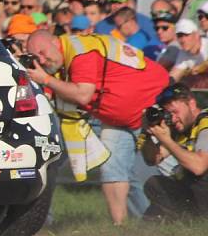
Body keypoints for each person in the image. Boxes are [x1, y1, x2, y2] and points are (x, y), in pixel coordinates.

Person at [25, 29, 169, 224]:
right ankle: (121, 229)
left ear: (55, 42)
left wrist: (46, 80)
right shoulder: (59, 63)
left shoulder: (79, 52)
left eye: (42, 52)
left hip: (158, 104)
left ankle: (177, 219)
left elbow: (83, 94)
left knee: (164, 167)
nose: (41, 60)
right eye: (36, 57)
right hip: (119, 120)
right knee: (111, 170)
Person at [141, 84, 208, 219]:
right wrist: (147, 133)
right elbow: (153, 159)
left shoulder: (205, 123)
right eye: (168, 114)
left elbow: (199, 167)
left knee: (194, 179)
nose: (173, 118)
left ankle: (192, 220)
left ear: (192, 104)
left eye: (175, 112)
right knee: (155, 185)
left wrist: (167, 140)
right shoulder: (181, 129)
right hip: (199, 194)